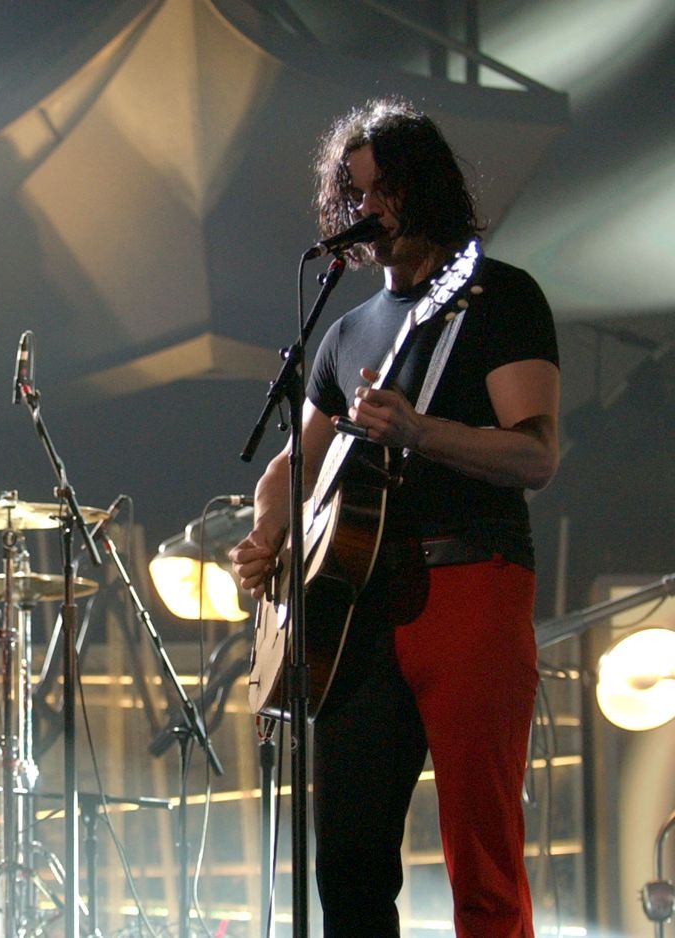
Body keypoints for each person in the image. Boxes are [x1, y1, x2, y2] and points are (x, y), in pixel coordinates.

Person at [230, 98, 559, 938]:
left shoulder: (499, 297)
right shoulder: (344, 334)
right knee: (348, 861)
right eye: (356, 194)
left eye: (385, 191)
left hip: (470, 581)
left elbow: (536, 455)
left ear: (428, 190)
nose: (368, 210)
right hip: (358, 613)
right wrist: (270, 529)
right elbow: (287, 467)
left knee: (479, 853)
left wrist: (421, 432)